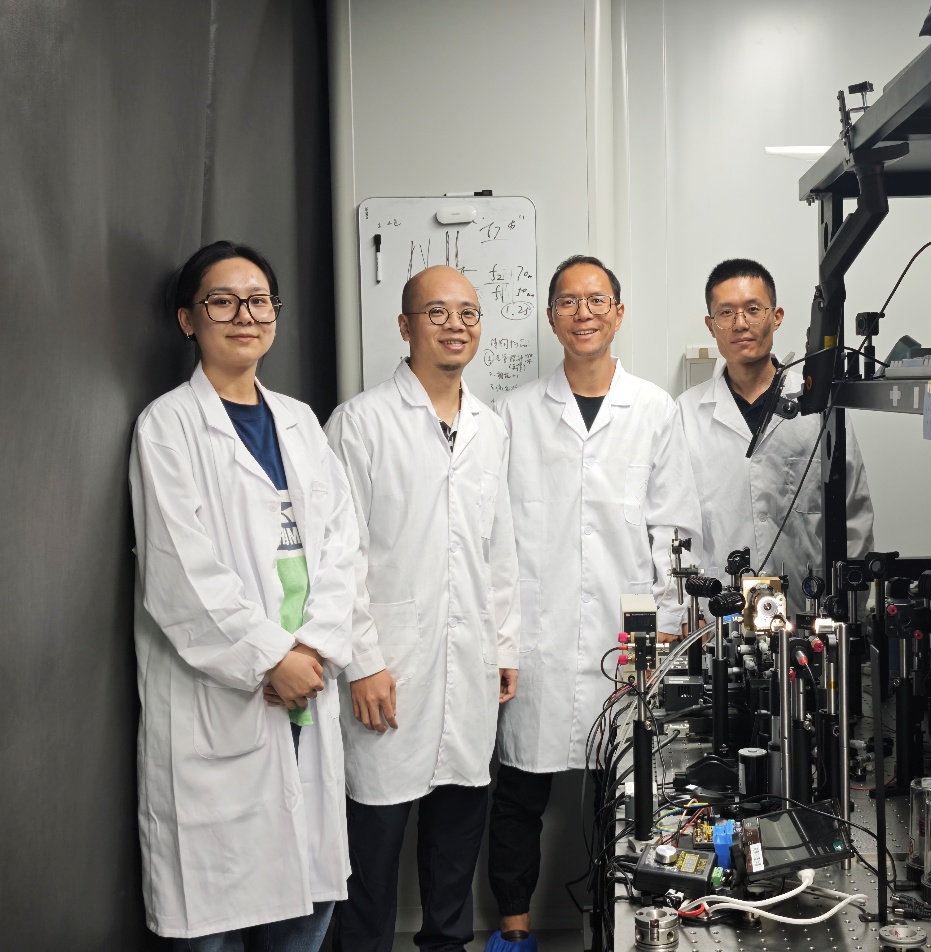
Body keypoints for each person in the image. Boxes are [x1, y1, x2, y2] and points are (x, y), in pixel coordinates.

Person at [129, 240, 358, 949]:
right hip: (226, 697)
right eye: (222, 302)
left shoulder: (300, 421)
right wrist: (270, 658)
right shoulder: (168, 426)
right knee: (216, 919)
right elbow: (179, 571)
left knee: (306, 910)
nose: (244, 316)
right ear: (187, 319)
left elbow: (343, 546)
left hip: (307, 687)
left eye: (259, 301)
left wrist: (313, 648)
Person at [486, 255, 703, 951]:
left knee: (627, 796)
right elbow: (495, 536)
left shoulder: (654, 409)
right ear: (551, 317)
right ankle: (514, 932)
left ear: (618, 313)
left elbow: (669, 534)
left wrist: (655, 636)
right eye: (568, 301)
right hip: (536, 637)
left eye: (597, 300)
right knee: (518, 793)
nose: (583, 313)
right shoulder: (514, 413)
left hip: (624, 637)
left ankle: (613, 932)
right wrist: (502, 638)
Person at [325, 266, 520, 952]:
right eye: (437, 313)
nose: (455, 325)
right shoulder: (360, 423)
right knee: (371, 856)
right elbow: (339, 556)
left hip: (468, 667)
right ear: (405, 327)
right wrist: (363, 663)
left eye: (467, 312)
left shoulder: (490, 429)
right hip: (389, 668)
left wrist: (503, 647)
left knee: (455, 851)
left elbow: (499, 550)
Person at [677, 258, 874, 596]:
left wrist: (852, 605)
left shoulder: (818, 404)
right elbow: (678, 524)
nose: (740, 324)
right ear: (711, 325)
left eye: (753, 309)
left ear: (777, 316)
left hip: (808, 604)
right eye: (726, 313)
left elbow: (853, 512)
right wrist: (683, 609)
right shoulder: (686, 413)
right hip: (718, 609)